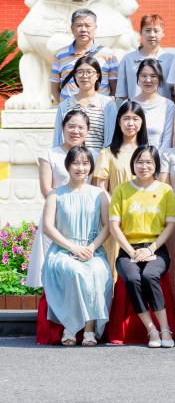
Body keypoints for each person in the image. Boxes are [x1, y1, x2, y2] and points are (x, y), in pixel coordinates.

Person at [40, 145, 112, 347]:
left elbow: (108, 226)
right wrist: (73, 248)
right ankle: (70, 327)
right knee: (74, 271)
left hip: (93, 250)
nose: (81, 168)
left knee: (97, 272)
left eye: (85, 163)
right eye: (76, 163)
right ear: (67, 166)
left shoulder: (100, 194)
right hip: (62, 251)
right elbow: (48, 227)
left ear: (91, 167)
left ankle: (89, 329)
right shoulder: (55, 195)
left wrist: (91, 247)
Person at [108, 145, 175, 348]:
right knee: (132, 278)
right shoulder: (122, 190)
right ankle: (152, 329)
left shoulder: (165, 191)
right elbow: (114, 225)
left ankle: (165, 329)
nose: (144, 166)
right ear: (133, 164)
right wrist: (131, 252)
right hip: (128, 249)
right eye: (139, 161)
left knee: (149, 275)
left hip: (156, 248)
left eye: (149, 162)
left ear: (156, 165)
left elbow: (170, 225)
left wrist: (150, 249)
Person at [26, 110, 90, 290]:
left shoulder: (93, 155)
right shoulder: (50, 155)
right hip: (56, 218)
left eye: (80, 127)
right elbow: (46, 190)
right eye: (71, 126)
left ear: (87, 130)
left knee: (82, 270)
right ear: (62, 128)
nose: (75, 131)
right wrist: (67, 209)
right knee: (53, 271)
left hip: (85, 220)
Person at [50, 8, 119, 102]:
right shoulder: (60, 55)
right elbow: (54, 89)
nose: (83, 29)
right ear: (72, 28)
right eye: (79, 25)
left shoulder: (108, 55)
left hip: (100, 109)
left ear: (95, 28)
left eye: (88, 26)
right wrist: (65, 106)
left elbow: (115, 89)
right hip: (70, 109)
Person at [52, 56, 116, 155]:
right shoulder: (64, 106)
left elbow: (111, 140)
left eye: (89, 72)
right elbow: (58, 139)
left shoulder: (108, 105)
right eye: (80, 72)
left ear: (97, 75)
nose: (84, 76)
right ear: (75, 75)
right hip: (71, 160)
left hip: (99, 160)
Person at [95, 101, 147, 197]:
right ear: (119, 122)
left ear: (142, 122)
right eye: (126, 118)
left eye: (135, 119)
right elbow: (101, 187)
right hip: (116, 205)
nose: (130, 123)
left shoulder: (148, 153)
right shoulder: (107, 153)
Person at [115, 14, 172, 100]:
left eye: (156, 31)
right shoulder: (128, 59)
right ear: (140, 32)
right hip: (134, 108)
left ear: (163, 33)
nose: (152, 35)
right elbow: (121, 94)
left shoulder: (171, 60)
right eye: (148, 30)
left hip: (163, 108)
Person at [130, 58, 175, 151]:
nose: (148, 80)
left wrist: (155, 158)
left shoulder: (168, 105)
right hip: (131, 157)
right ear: (138, 77)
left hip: (159, 157)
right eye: (143, 76)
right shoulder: (128, 104)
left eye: (153, 76)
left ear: (159, 78)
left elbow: (168, 140)